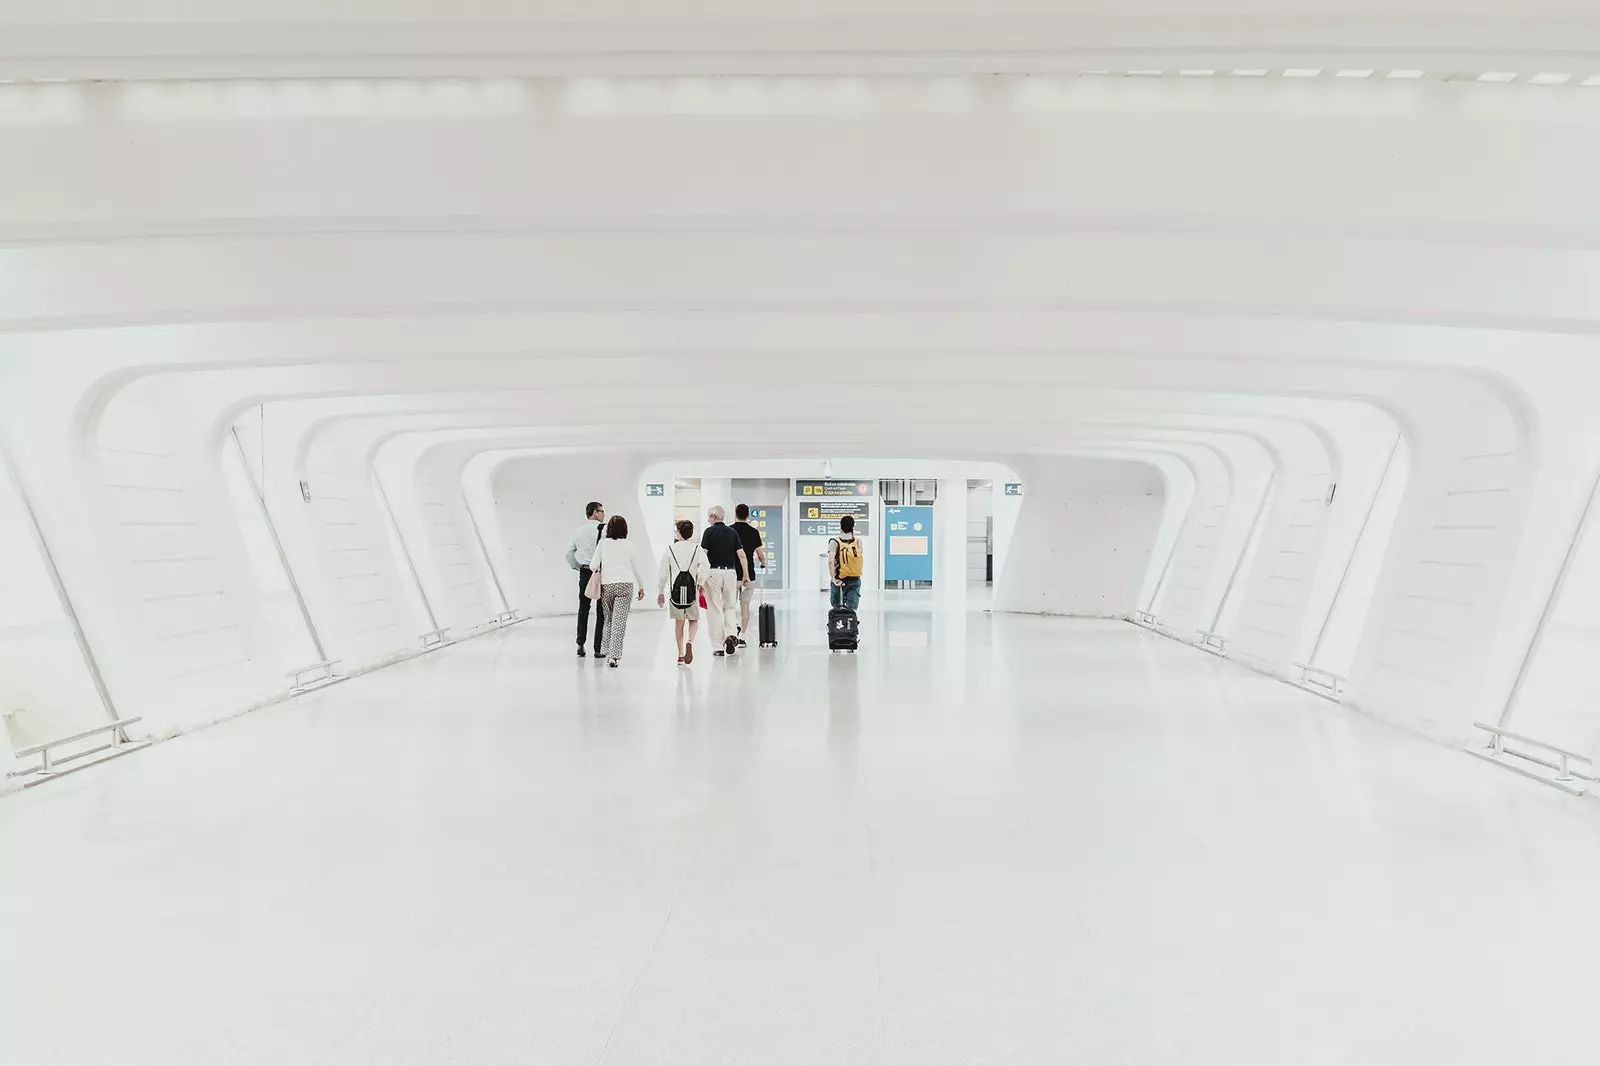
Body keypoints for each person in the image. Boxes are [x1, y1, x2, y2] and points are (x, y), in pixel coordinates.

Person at [588, 515, 649, 668]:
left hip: (607, 584)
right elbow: (636, 567)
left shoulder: (602, 543)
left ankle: (606, 650)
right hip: (625, 585)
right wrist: (641, 586)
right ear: (625, 529)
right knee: (619, 621)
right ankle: (614, 656)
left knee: (608, 620)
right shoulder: (630, 545)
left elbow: (593, 565)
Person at [658, 519, 711, 665]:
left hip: (675, 592)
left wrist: (660, 591)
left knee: (679, 623)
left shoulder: (670, 549)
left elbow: (662, 573)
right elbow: (706, 566)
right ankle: (690, 641)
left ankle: (680, 654)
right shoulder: (697, 549)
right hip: (691, 592)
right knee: (693, 620)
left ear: (679, 532)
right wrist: (700, 582)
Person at [700, 505, 749, 657]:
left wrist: (700, 578)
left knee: (714, 608)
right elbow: (741, 555)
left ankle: (718, 646)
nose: (708, 519)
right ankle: (731, 634)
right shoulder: (732, 532)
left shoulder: (708, 532)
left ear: (714, 517)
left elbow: (703, 556)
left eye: (709, 516)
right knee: (729, 606)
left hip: (713, 573)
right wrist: (745, 574)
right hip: (730, 573)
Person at [564, 501, 606, 657]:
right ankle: (598, 648)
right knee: (601, 610)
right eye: (601, 511)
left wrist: (578, 567)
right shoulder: (605, 529)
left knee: (584, 609)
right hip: (602, 572)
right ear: (594, 512)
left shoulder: (578, 531)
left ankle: (580, 644)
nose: (603, 514)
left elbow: (568, 554)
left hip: (585, 572)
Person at [731, 503, 767, 646]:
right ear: (748, 515)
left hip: (732, 574)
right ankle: (743, 637)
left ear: (735, 514)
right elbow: (760, 554)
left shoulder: (730, 530)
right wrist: (763, 563)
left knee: (729, 605)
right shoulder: (753, 532)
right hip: (748, 575)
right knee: (745, 605)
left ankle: (733, 630)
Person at [828, 514, 864, 612]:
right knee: (851, 609)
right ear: (853, 526)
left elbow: (831, 561)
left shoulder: (835, 541)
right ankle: (850, 625)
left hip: (840, 579)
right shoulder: (858, 542)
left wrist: (833, 578)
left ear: (840, 526)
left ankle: (838, 626)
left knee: (837, 608)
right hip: (855, 579)